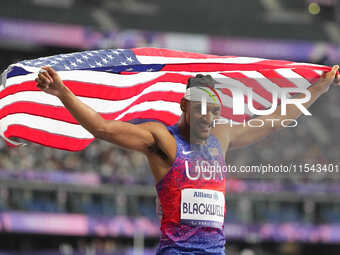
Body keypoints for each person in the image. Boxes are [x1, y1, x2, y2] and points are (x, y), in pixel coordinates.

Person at [35, 65, 339, 254]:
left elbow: (274, 119)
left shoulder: (222, 137)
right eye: (202, 110)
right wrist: (63, 92)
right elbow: (102, 128)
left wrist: (319, 88)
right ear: (184, 105)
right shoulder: (162, 140)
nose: (209, 118)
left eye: (215, 111)